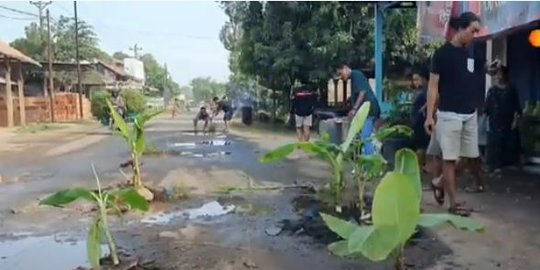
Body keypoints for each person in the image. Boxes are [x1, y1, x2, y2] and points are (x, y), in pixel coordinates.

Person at [425, 12, 498, 216]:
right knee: (449, 159)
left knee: (469, 156)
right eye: (472, 31)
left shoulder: (473, 52)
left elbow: (483, 69)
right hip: (449, 114)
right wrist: (430, 116)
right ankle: (453, 204)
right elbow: (432, 87)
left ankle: (439, 182)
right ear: (460, 29)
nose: (474, 35)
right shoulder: (442, 54)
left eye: (477, 31)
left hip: (470, 113)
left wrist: (491, 69)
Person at [485, 65, 522, 172]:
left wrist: (515, 120)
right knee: (495, 143)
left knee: (509, 142)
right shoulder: (492, 90)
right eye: (497, 73)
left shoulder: (511, 89)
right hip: (495, 122)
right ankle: (494, 165)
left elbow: (517, 106)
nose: (498, 76)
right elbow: (487, 107)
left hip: (508, 121)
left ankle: (509, 163)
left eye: (500, 73)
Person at [338, 64, 381, 155]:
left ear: (345, 68)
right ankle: (372, 155)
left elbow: (362, 92)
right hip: (368, 109)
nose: (340, 77)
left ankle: (369, 161)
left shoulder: (356, 74)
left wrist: (354, 109)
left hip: (369, 109)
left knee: (365, 137)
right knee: (369, 136)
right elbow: (357, 95)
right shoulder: (354, 79)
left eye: (340, 73)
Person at [411, 67, 431, 170]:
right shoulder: (418, 91)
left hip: (422, 120)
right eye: (414, 80)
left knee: (422, 146)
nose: (415, 82)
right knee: (420, 145)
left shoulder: (426, 91)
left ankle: (421, 166)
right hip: (417, 120)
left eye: (417, 79)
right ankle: (420, 166)